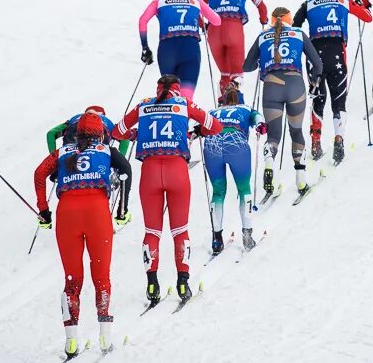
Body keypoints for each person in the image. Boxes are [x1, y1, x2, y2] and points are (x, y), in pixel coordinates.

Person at [112, 74, 223, 304]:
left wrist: (137, 134)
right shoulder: (183, 103)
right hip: (177, 170)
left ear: (158, 88)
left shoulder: (144, 104)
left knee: (152, 232)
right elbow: (216, 126)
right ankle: (183, 282)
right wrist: (195, 132)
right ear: (176, 88)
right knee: (179, 230)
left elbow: (117, 132)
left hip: (150, 171)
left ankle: (152, 283)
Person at [33, 113, 116, 357]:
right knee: (101, 276)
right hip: (97, 214)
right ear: (100, 133)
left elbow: (39, 174)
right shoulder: (105, 150)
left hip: (67, 214)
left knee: (72, 280)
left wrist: (43, 211)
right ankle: (105, 338)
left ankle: (71, 341)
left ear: (76, 133)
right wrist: (122, 208)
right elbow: (127, 170)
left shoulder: (62, 152)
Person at [243, 7, 323, 199]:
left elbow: (247, 66)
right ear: (288, 19)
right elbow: (317, 63)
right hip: (295, 86)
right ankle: (301, 179)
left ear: (272, 21)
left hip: (271, 87)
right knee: (296, 131)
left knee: (274, 135)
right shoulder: (298, 33)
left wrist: (262, 61)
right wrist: (315, 80)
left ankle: (269, 160)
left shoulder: (263, 36)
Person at [293, 0, 371, 163]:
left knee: (318, 99)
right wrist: (361, 5)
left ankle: (315, 140)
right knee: (339, 100)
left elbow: (295, 26)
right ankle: (339, 138)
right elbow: (367, 17)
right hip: (337, 52)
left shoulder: (308, 2)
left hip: (315, 55)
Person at [138, 0, 222, 101]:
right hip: (190, 49)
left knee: (169, 95)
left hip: (167, 50)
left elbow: (142, 21)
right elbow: (217, 20)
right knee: (185, 99)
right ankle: (184, 119)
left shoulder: (159, 1)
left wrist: (145, 48)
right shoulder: (194, 0)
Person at [45, 106, 133, 227]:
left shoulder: (73, 119)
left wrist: (54, 158)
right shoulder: (107, 121)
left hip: (69, 155)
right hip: (96, 157)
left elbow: (51, 134)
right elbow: (125, 139)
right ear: (102, 114)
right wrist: (116, 162)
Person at [205, 83, 264, 252]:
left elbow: (202, 127)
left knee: (217, 192)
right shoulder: (245, 108)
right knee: (244, 189)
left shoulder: (213, 111)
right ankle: (247, 235)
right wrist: (261, 126)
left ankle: (217, 239)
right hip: (236, 145)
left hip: (213, 145)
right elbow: (259, 118)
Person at [202, 0, 268, 93]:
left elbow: (197, 10)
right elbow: (261, 5)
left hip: (213, 32)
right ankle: (236, 104)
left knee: (224, 75)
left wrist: (204, 26)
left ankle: (222, 106)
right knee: (236, 76)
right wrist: (263, 20)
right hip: (233, 28)